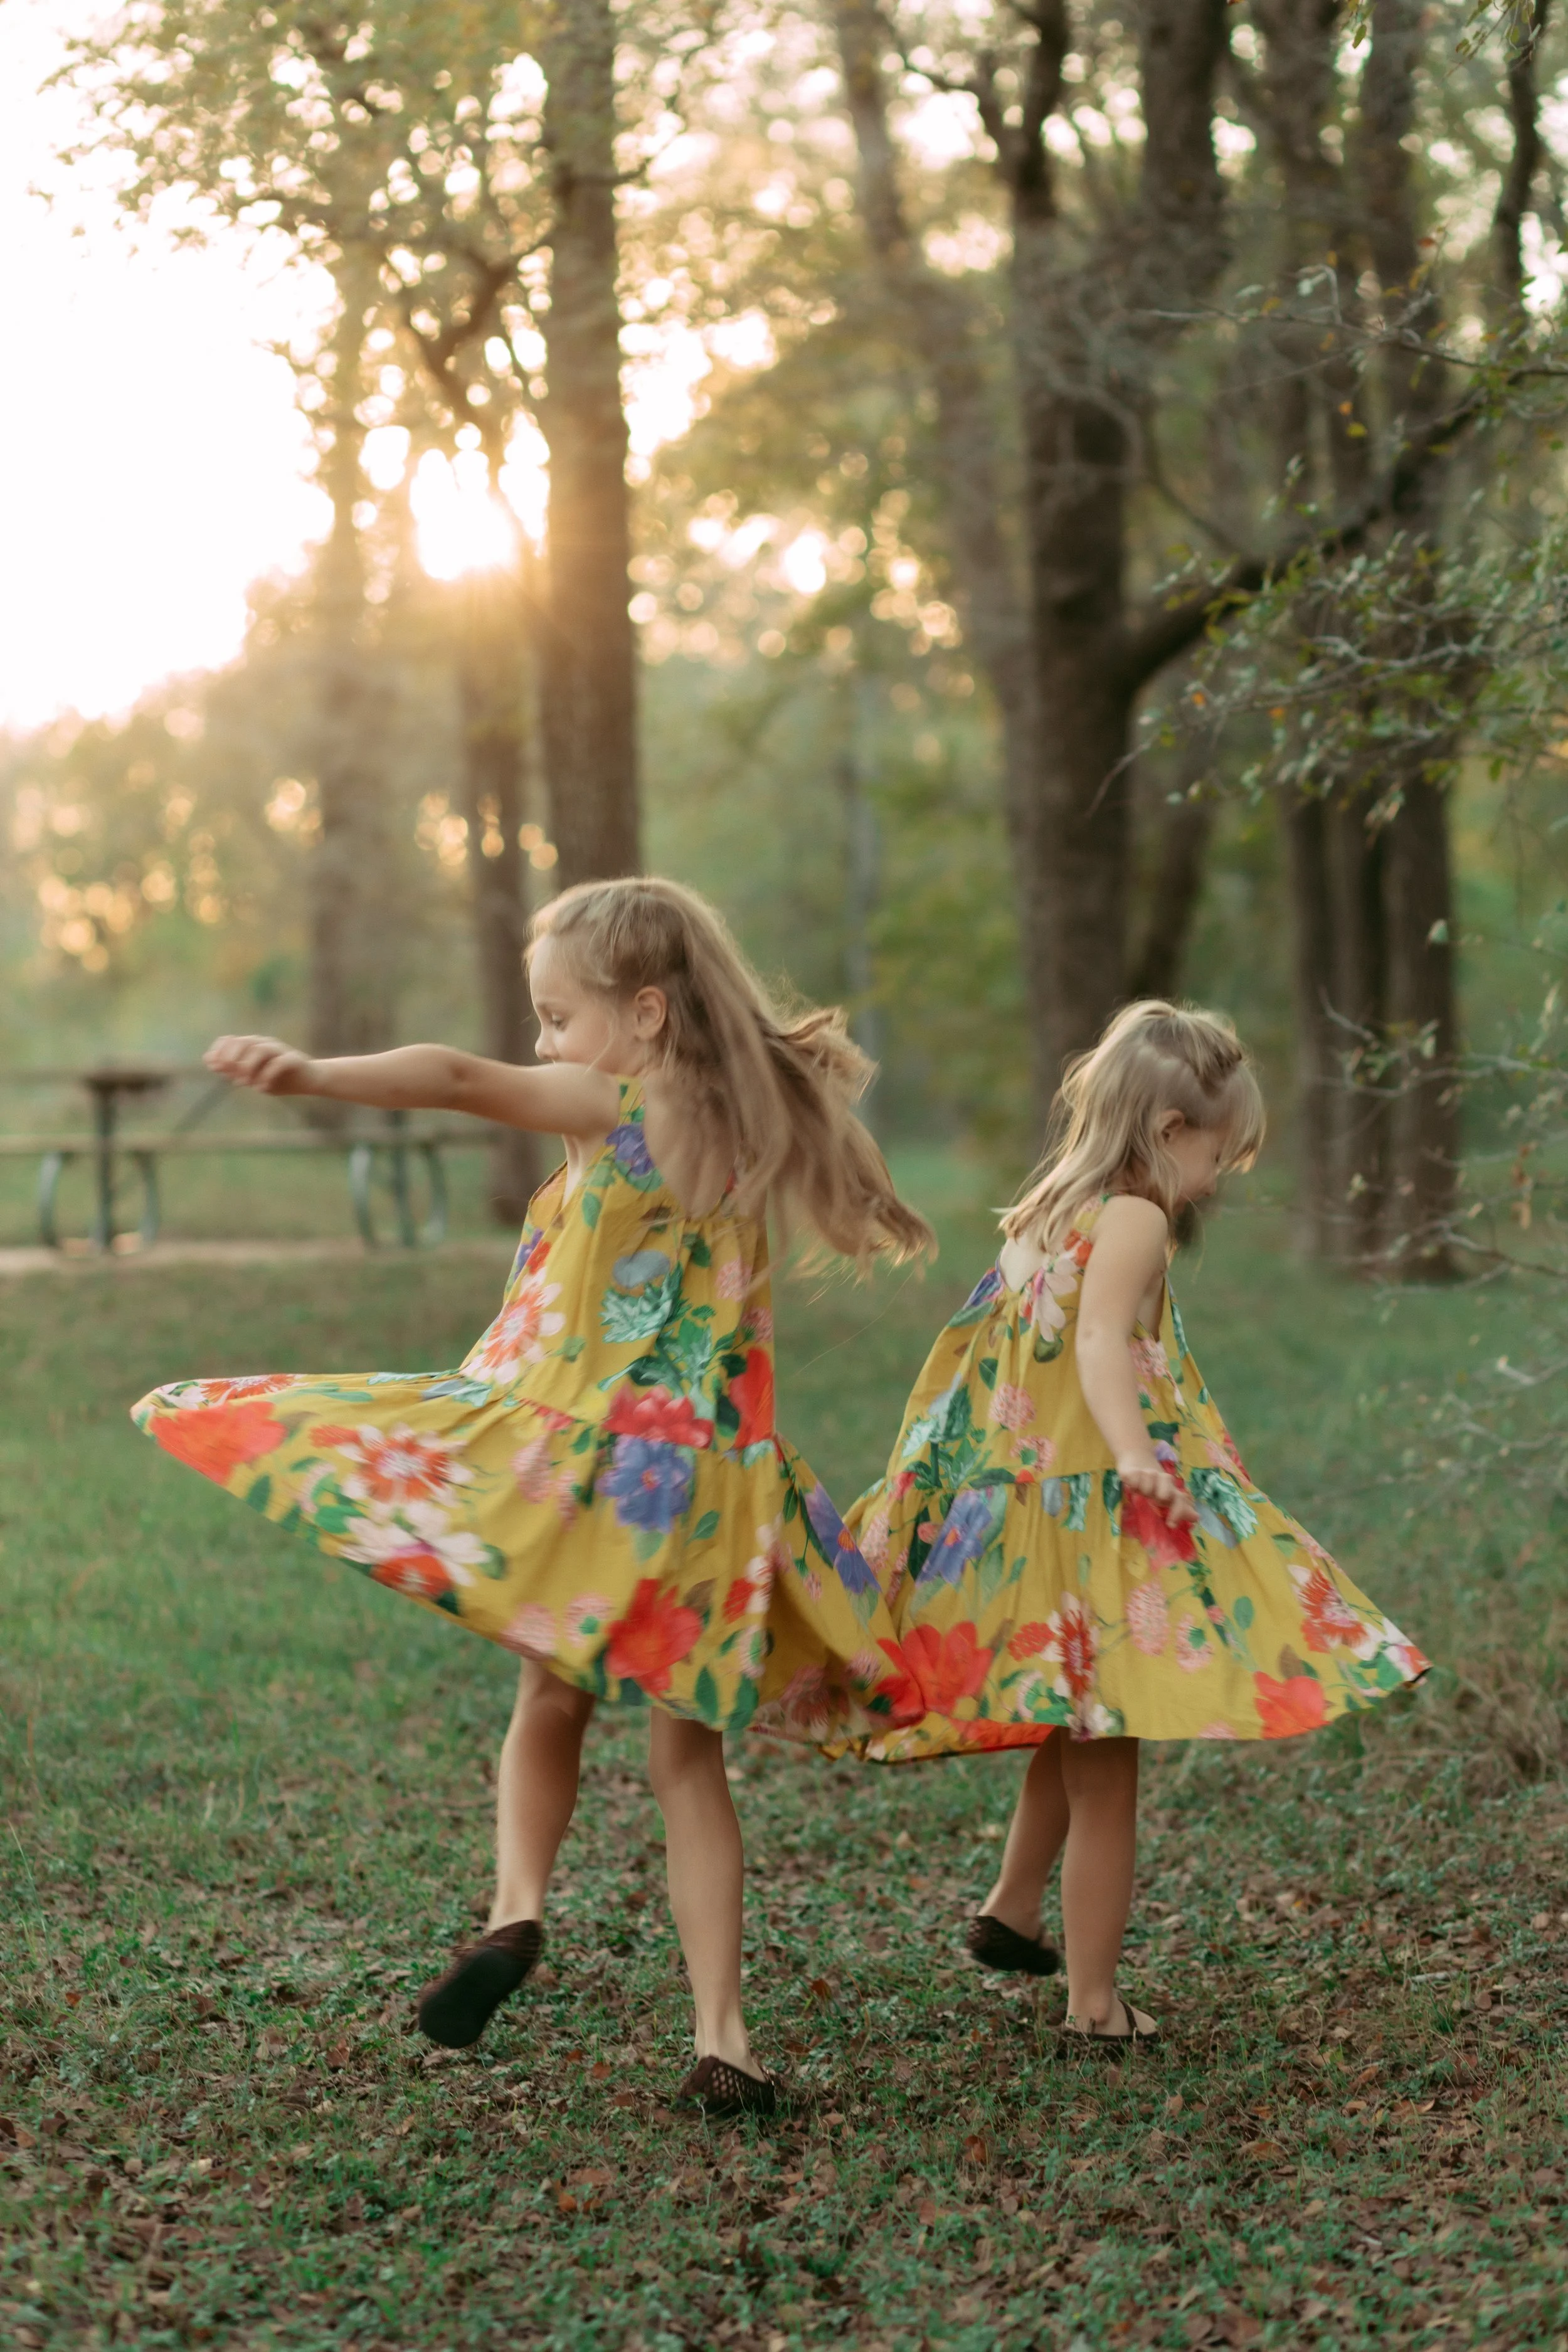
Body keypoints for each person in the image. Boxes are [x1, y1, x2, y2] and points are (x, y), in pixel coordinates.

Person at [132, 876, 932, 2114]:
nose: (544, 1044)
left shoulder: (612, 1106)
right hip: (709, 1490)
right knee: (687, 1767)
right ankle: (725, 2038)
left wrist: (308, 1073)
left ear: (647, 1014)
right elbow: (846, 1171)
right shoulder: (766, 1110)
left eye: (557, 1017)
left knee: (549, 1693)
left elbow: (454, 1078)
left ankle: (514, 1913)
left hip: (581, 1463)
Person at [841, 1001, 1428, 2048]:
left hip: (1023, 1509)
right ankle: (1095, 2001)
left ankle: (1014, 1910)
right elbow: (1103, 1343)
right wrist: (1132, 1453)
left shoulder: (1038, 1215)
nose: (1220, 1174)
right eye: (1217, 1149)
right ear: (1165, 1130)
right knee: (1108, 1756)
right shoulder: (1136, 1219)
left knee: (1074, 1717)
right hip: (1096, 1512)